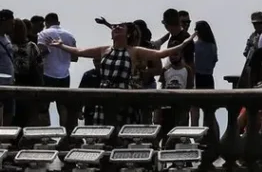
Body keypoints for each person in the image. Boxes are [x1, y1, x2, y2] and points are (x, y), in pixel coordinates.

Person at [51, 23, 191, 126]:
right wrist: (62, 46)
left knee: (122, 130)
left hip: (124, 95)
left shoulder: (134, 51)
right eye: (114, 27)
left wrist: (183, 44)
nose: (116, 28)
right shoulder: (104, 50)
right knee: (103, 129)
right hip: (104, 94)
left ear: (128, 34)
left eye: (120, 27)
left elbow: (159, 54)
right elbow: (79, 51)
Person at [36, 12, 77, 127]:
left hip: (47, 74)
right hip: (64, 75)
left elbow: (40, 54)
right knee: (63, 106)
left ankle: (44, 135)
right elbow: (75, 57)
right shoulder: (70, 36)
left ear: (46, 23)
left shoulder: (43, 34)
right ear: (58, 22)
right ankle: (64, 135)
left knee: (44, 106)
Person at [10, 19, 45, 126]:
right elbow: (40, 68)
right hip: (29, 86)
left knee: (14, 119)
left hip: (14, 86)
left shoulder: (8, 46)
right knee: (27, 119)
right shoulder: (32, 46)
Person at [159, 48, 194, 132]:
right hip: (167, 106)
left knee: (181, 131)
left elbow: (190, 88)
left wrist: (187, 106)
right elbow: (162, 87)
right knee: (166, 131)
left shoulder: (187, 70)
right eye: (171, 55)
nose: (173, 57)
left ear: (181, 54)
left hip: (181, 106)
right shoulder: (165, 70)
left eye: (175, 54)